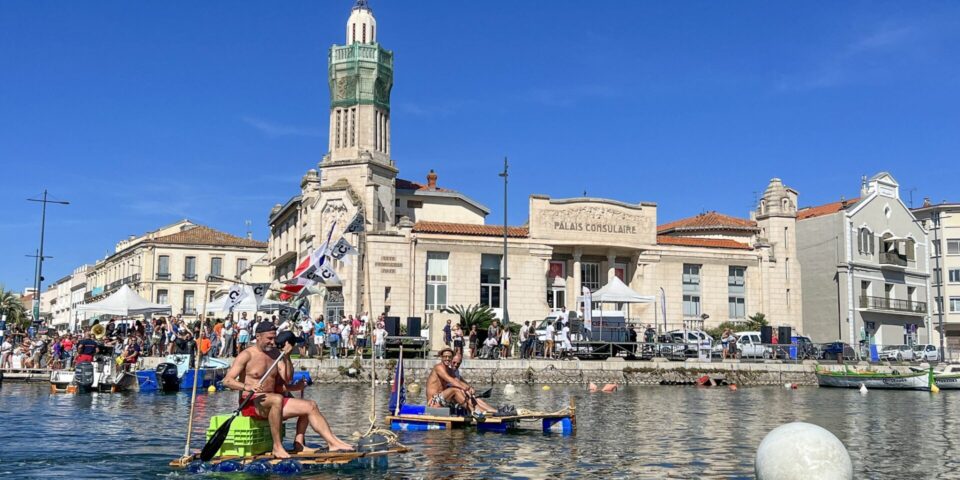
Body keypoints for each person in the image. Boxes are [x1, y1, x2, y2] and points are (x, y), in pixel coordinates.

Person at [222, 322, 354, 458]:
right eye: (269, 338)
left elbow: (287, 378)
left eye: (274, 338)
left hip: (272, 401)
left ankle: (330, 443)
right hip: (251, 403)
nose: (273, 342)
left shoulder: (275, 354)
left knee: (310, 406)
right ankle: (277, 447)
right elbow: (227, 381)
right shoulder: (246, 355)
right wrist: (247, 387)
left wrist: (287, 357)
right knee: (277, 399)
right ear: (258, 336)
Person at [425, 348, 495, 419]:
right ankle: (474, 411)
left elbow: (457, 380)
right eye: (445, 356)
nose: (447, 358)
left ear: (452, 358)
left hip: (443, 400)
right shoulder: (438, 367)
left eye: (449, 357)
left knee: (467, 394)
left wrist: (469, 388)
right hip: (433, 402)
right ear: (441, 357)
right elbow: (450, 380)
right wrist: (463, 388)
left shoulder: (449, 370)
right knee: (454, 389)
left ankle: (489, 412)